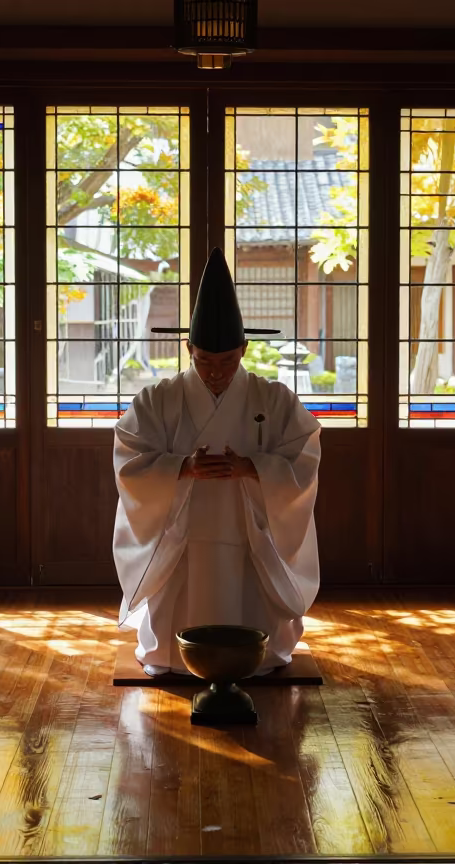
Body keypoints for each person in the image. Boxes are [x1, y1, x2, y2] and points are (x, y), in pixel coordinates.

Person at [112, 248, 322, 676]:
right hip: (183, 533)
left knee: (250, 597)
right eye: (204, 360)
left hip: (249, 532)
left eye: (227, 361)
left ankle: (257, 655)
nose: (215, 372)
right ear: (188, 348)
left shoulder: (274, 398)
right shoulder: (158, 399)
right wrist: (180, 469)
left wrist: (254, 468)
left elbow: (304, 453)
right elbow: (130, 457)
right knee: (179, 603)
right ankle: (172, 655)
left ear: (244, 349)